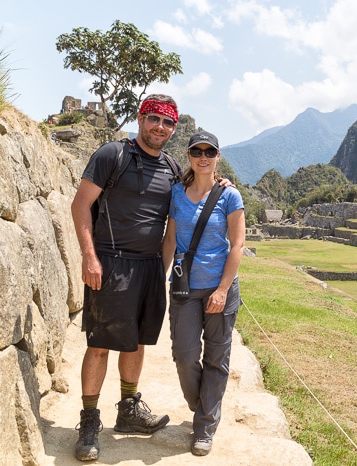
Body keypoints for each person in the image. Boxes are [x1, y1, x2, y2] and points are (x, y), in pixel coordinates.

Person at [70, 94, 182, 461]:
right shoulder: (112, 155)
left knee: (136, 343)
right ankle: (89, 421)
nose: (159, 128)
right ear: (140, 118)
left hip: (150, 267)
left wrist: (221, 181)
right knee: (100, 344)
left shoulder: (172, 167)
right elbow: (80, 205)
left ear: (173, 128)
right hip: (111, 263)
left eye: (167, 123)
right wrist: (90, 257)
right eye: (154, 119)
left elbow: (192, 198)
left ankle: (128, 410)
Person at [161, 131, 246, 456]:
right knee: (184, 355)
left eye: (209, 151)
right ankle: (203, 405)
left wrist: (223, 289)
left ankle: (205, 426)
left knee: (216, 357)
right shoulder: (177, 194)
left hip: (218, 288)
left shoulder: (229, 196)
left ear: (217, 157)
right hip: (184, 287)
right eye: (197, 151)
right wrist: (161, 277)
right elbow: (170, 241)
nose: (203, 157)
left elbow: (237, 245)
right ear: (189, 156)